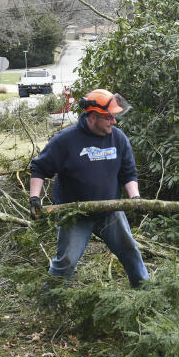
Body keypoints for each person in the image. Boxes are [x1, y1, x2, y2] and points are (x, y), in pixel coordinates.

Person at [28, 88, 149, 289]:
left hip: (109, 211)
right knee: (65, 262)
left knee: (130, 250)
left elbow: (128, 173)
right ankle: (48, 304)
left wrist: (135, 198)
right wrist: (34, 198)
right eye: (109, 118)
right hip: (74, 214)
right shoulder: (65, 140)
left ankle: (146, 290)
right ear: (93, 117)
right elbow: (39, 168)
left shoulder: (118, 139)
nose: (114, 122)